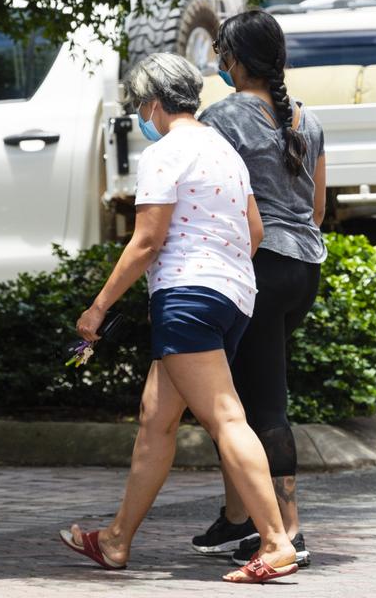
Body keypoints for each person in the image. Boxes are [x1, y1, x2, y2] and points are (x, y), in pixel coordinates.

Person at [57, 53, 299, 584]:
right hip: (232, 296)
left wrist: (98, 306)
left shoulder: (165, 153)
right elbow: (254, 230)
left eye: (139, 105)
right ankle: (117, 541)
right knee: (156, 419)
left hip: (186, 297)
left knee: (225, 417)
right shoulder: (223, 149)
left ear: (153, 103)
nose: (141, 115)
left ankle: (277, 540)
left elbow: (147, 241)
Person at [190, 9, 326, 568]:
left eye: (222, 52)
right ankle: (239, 515)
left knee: (262, 404)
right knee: (239, 396)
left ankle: (288, 530)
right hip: (304, 269)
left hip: (259, 268)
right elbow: (318, 208)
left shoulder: (221, 117)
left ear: (235, 60)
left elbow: (213, 198)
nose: (218, 62)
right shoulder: (306, 118)